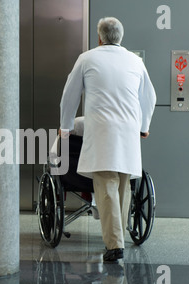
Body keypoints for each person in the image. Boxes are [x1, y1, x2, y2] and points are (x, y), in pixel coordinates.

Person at [59, 17, 156, 261]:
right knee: (122, 188)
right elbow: (149, 96)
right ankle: (117, 240)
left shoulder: (88, 58)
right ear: (120, 37)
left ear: (99, 37)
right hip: (128, 134)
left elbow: (69, 94)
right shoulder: (136, 61)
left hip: (102, 133)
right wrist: (144, 126)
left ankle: (114, 245)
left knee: (106, 187)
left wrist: (65, 126)